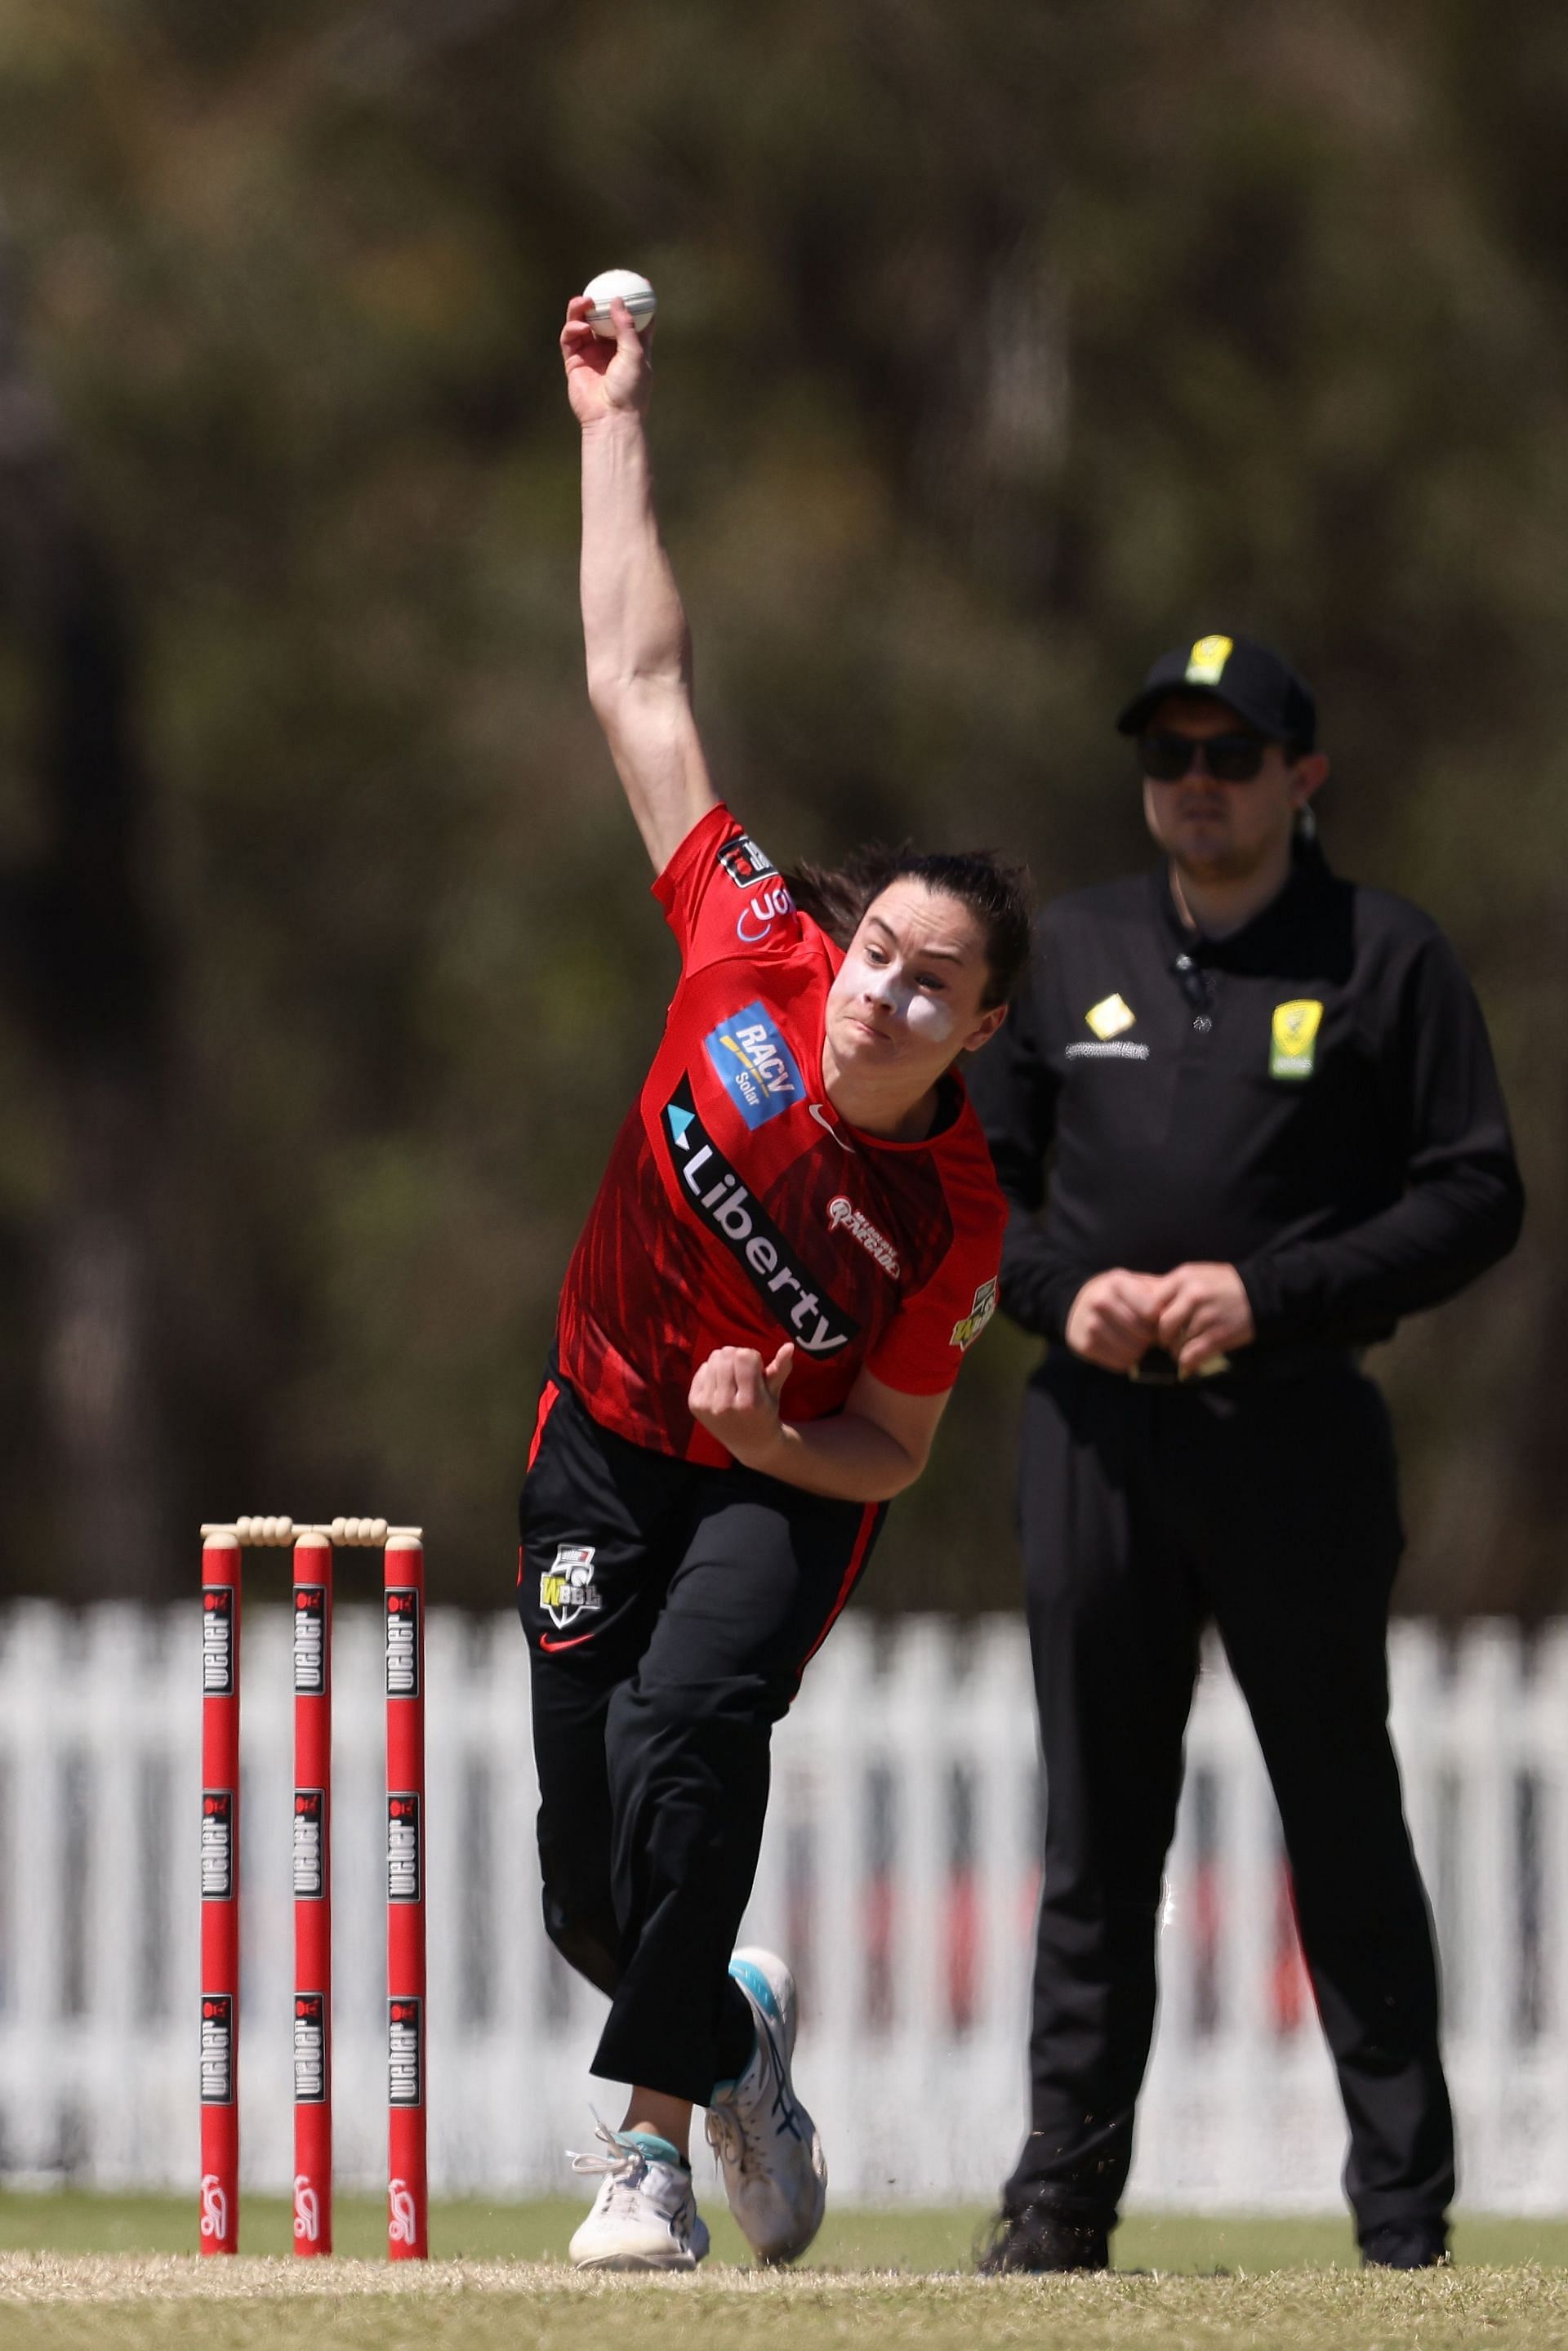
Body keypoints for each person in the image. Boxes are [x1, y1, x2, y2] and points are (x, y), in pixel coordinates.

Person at [523, 288, 1030, 2273]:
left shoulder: (955, 1214)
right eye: (879, 948)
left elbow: (895, 1449)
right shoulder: (746, 940)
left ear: (978, 1026)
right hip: (595, 1435)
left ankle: (644, 2161)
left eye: (932, 982)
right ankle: (732, 2036)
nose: (883, 990)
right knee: (590, 1884)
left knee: (697, 1731)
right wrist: (610, 421)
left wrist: (771, 1434)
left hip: (774, 1480)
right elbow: (638, 679)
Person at [967, 632, 1524, 2275]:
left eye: (1231, 757)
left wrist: (1264, 1296)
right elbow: (969, 1195)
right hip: (1096, 1441)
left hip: (1296, 1438)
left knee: (1343, 1823)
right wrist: (1065, 1298)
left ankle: (1405, 2225)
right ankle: (1059, 2208)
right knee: (1095, 1844)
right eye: (1169, 758)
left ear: (1304, 778)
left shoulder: (1384, 959)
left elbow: (1476, 1194)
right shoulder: (1068, 954)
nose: (1195, 787)